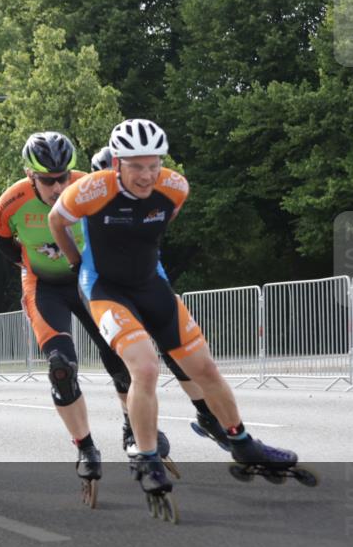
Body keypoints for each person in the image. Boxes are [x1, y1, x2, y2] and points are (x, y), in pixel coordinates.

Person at [49, 118, 309, 517]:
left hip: (150, 283)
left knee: (204, 368)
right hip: (105, 289)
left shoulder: (175, 186)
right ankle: (149, 457)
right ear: (116, 162)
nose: (147, 175)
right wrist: (74, 263)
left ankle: (241, 443)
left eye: (153, 164)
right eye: (136, 166)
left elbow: (159, 224)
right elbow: (56, 221)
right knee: (146, 368)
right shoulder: (91, 190)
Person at [0, 131, 111, 504]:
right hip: (43, 286)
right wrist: (31, 262)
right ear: (30, 175)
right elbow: (0, 239)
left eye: (63, 177)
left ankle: (131, 429)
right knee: (61, 367)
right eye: (48, 180)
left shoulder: (88, 187)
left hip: (87, 280)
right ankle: (86, 447)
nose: (58, 187)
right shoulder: (12, 201)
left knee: (120, 356)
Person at [91, 146, 227, 453]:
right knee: (123, 362)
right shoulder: (90, 206)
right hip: (107, 291)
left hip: (146, 283)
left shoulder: (146, 199)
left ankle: (206, 415)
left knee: (175, 353)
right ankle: (131, 428)